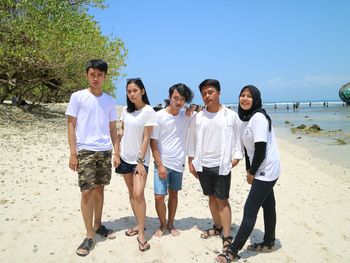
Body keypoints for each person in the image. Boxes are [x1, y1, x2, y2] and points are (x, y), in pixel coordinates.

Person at [215, 85, 281, 262]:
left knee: (250, 210)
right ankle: (269, 242)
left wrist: (252, 173)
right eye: (242, 95)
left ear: (256, 99)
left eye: (249, 96)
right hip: (262, 167)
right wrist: (248, 168)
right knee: (268, 205)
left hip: (266, 170)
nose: (245, 99)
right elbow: (247, 149)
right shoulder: (245, 118)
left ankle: (233, 251)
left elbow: (260, 150)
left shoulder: (258, 118)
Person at [66, 59, 120, 257]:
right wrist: (73, 153)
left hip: (104, 151)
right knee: (86, 191)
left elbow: (113, 128)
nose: (95, 78)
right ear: (87, 75)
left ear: (104, 77)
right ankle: (89, 235)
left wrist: (117, 152)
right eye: (92, 75)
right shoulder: (78, 97)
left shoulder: (109, 100)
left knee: (99, 189)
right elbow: (71, 125)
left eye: (99, 75)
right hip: (85, 151)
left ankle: (98, 225)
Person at [187, 79, 242, 252]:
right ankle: (217, 226)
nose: (207, 96)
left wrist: (236, 158)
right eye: (204, 94)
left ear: (218, 92)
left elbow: (237, 139)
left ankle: (226, 235)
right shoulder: (198, 117)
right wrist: (191, 161)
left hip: (222, 164)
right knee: (211, 197)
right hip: (203, 164)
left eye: (210, 92)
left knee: (222, 199)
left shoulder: (230, 115)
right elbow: (192, 139)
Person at [115, 78, 157, 252]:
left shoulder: (149, 111)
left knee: (138, 194)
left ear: (142, 91)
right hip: (125, 157)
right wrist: (116, 153)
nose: (132, 94)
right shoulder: (125, 110)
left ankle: (141, 233)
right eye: (129, 91)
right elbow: (121, 131)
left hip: (140, 161)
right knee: (132, 193)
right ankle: (138, 224)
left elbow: (146, 138)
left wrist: (140, 162)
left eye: (135, 90)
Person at [150, 83, 194, 237]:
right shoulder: (159, 116)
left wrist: (194, 108)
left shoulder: (186, 115)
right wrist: (160, 164)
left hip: (178, 162)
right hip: (162, 163)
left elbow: (205, 111)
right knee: (159, 196)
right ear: (170, 97)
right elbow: (153, 142)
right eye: (176, 98)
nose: (179, 102)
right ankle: (162, 224)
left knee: (174, 194)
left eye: (182, 99)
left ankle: (171, 223)